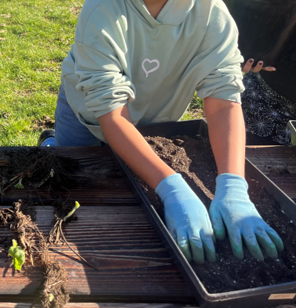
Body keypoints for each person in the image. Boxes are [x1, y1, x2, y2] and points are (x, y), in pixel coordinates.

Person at [42, 0, 283, 265]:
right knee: (69, 178)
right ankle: (50, 144)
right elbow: (112, 116)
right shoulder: (102, 9)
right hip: (86, 111)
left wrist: (233, 187)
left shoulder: (211, 13)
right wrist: (173, 190)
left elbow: (223, 101)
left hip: (154, 120)